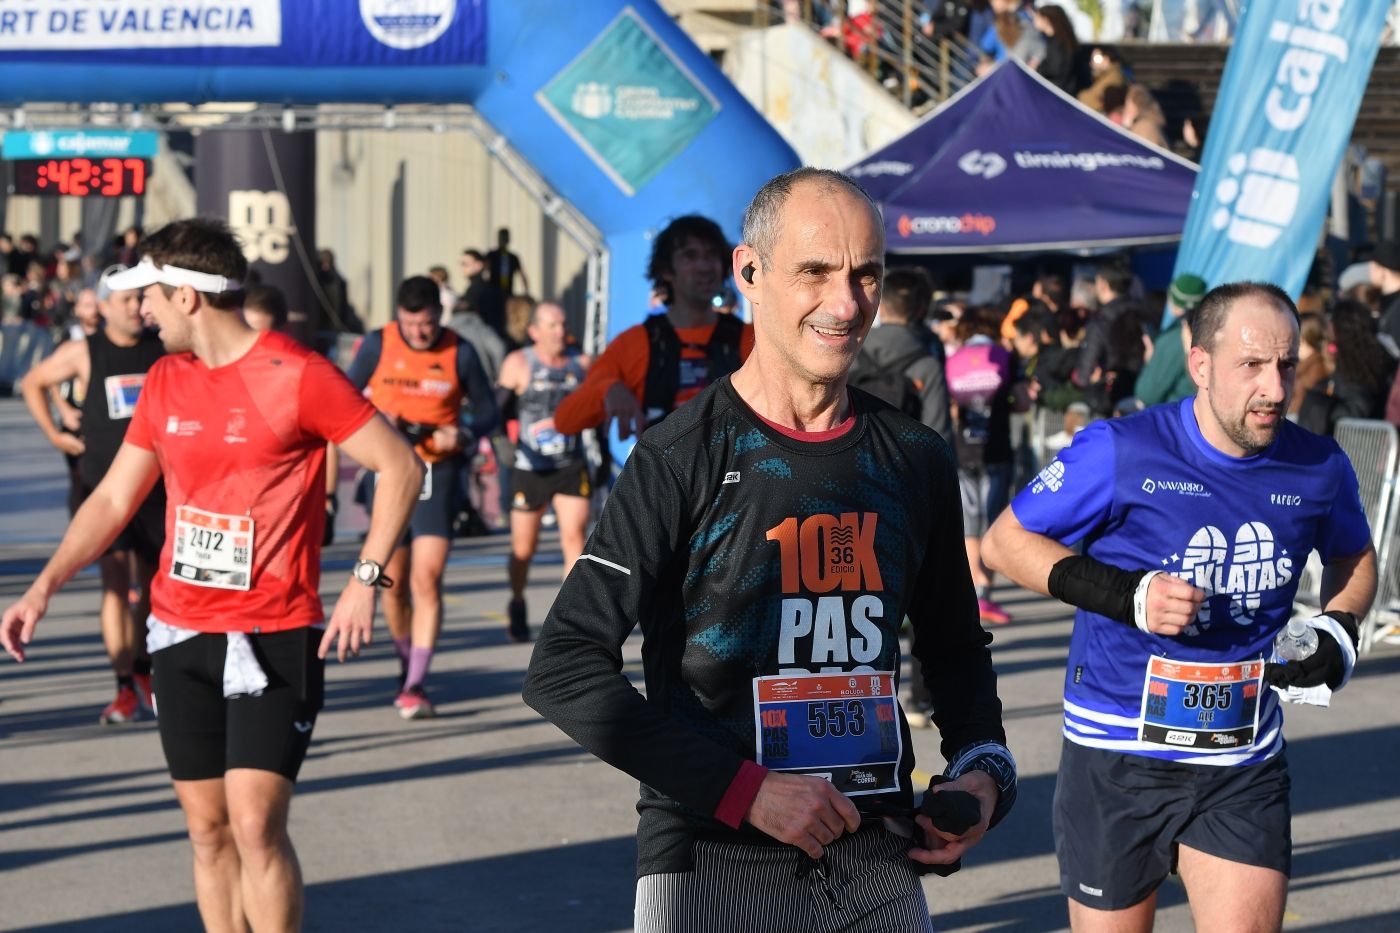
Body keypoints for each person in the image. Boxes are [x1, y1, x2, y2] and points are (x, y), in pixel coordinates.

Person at [523, 168, 1016, 931]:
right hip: (712, 856)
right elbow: (563, 667)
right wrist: (743, 788)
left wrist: (984, 771)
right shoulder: (680, 455)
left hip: (876, 855)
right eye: (815, 272)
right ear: (749, 273)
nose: (846, 304)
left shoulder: (914, 457)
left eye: (865, 276)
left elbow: (953, 649)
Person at [1, 217, 423, 933]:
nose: (143, 311)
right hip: (178, 629)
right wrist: (43, 586)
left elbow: (401, 466)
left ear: (188, 297)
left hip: (275, 631)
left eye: (151, 297)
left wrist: (365, 576)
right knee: (207, 830)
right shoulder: (165, 379)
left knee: (256, 823)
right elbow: (111, 496)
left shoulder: (297, 374)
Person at [982, 281, 1376, 933]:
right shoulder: (1122, 449)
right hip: (1117, 752)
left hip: (1240, 757)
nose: (1276, 388)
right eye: (1251, 365)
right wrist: (1127, 594)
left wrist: (1337, 629)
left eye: (1285, 363)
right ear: (1200, 365)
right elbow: (1004, 541)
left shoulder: (1319, 465)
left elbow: (1355, 557)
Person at [18, 269, 166, 724]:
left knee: (155, 588)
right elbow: (32, 382)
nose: (133, 305)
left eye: (139, 296)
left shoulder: (162, 350)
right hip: (104, 488)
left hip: (160, 488)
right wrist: (59, 431)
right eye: (123, 299)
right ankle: (123, 685)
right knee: (116, 586)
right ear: (101, 307)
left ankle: (145, 671)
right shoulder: (85, 352)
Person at [347, 275, 499, 718]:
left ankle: (416, 683)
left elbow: (489, 410)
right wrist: (376, 420)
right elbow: (342, 399)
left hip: (438, 470)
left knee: (426, 579)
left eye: (427, 325)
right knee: (390, 584)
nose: (419, 333)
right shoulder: (377, 344)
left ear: (440, 316)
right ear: (398, 317)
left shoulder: (460, 350)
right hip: (389, 468)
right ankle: (404, 660)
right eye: (411, 324)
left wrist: (465, 433)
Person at [553, 214, 754, 439]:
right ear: (666, 270)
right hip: (662, 471)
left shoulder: (751, 339)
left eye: (711, 255)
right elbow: (565, 421)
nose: (704, 266)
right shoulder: (635, 343)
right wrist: (609, 388)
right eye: (690, 255)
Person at [496, 301, 591, 643]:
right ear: (534, 331)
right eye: (551, 325)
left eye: (562, 324)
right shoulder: (519, 363)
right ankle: (518, 600)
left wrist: (604, 456)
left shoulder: (581, 364)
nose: (559, 331)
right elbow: (496, 411)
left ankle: (569, 621)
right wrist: (501, 445)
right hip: (530, 467)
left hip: (570, 464)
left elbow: (596, 411)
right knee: (524, 549)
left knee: (574, 539)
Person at [852, 266, 952, 442]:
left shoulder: (850, 351)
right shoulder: (928, 362)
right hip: (909, 461)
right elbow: (938, 430)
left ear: (881, 308)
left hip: (854, 459)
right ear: (921, 309)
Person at [1134, 273, 1206, 408]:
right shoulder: (1210, 330)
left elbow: (1146, 394)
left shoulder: (1176, 337)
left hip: (1179, 417)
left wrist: (1150, 362)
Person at [484, 227, 530, 297]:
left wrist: (526, 292)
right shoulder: (491, 255)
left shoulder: (513, 257)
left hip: (507, 292)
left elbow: (521, 275)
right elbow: (484, 270)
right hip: (493, 292)